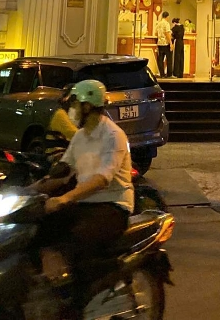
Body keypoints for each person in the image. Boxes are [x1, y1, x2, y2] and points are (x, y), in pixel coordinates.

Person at [36, 80, 133, 302]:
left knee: (77, 242)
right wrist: (28, 191)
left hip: (112, 206)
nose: (71, 109)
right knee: (38, 228)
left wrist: (65, 198)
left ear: (87, 106)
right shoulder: (80, 136)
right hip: (84, 203)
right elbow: (63, 170)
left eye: (74, 104)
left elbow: (102, 178)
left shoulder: (113, 135)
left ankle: (79, 303)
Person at [155, 12, 172, 78]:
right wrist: (170, 43)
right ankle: (169, 74)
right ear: (167, 16)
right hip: (166, 43)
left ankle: (162, 74)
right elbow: (167, 33)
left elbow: (156, 33)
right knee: (169, 59)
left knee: (160, 59)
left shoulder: (158, 23)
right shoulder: (166, 23)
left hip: (160, 43)